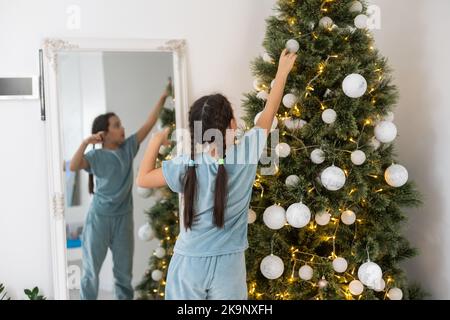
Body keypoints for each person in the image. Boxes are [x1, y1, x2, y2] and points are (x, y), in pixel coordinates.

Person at [136, 49, 297, 299]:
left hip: (188, 262)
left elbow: (143, 179)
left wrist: (155, 141)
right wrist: (282, 72)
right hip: (228, 265)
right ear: (232, 125)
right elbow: (268, 115)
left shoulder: (187, 164)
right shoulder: (246, 153)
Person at [69, 81, 172, 300]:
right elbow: (73, 165)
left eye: (120, 124)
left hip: (123, 219)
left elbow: (149, 124)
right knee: (91, 273)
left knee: (123, 275)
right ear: (104, 133)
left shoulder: (128, 148)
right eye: (116, 125)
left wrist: (163, 97)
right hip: (100, 218)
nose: (122, 128)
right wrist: (87, 142)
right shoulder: (95, 156)